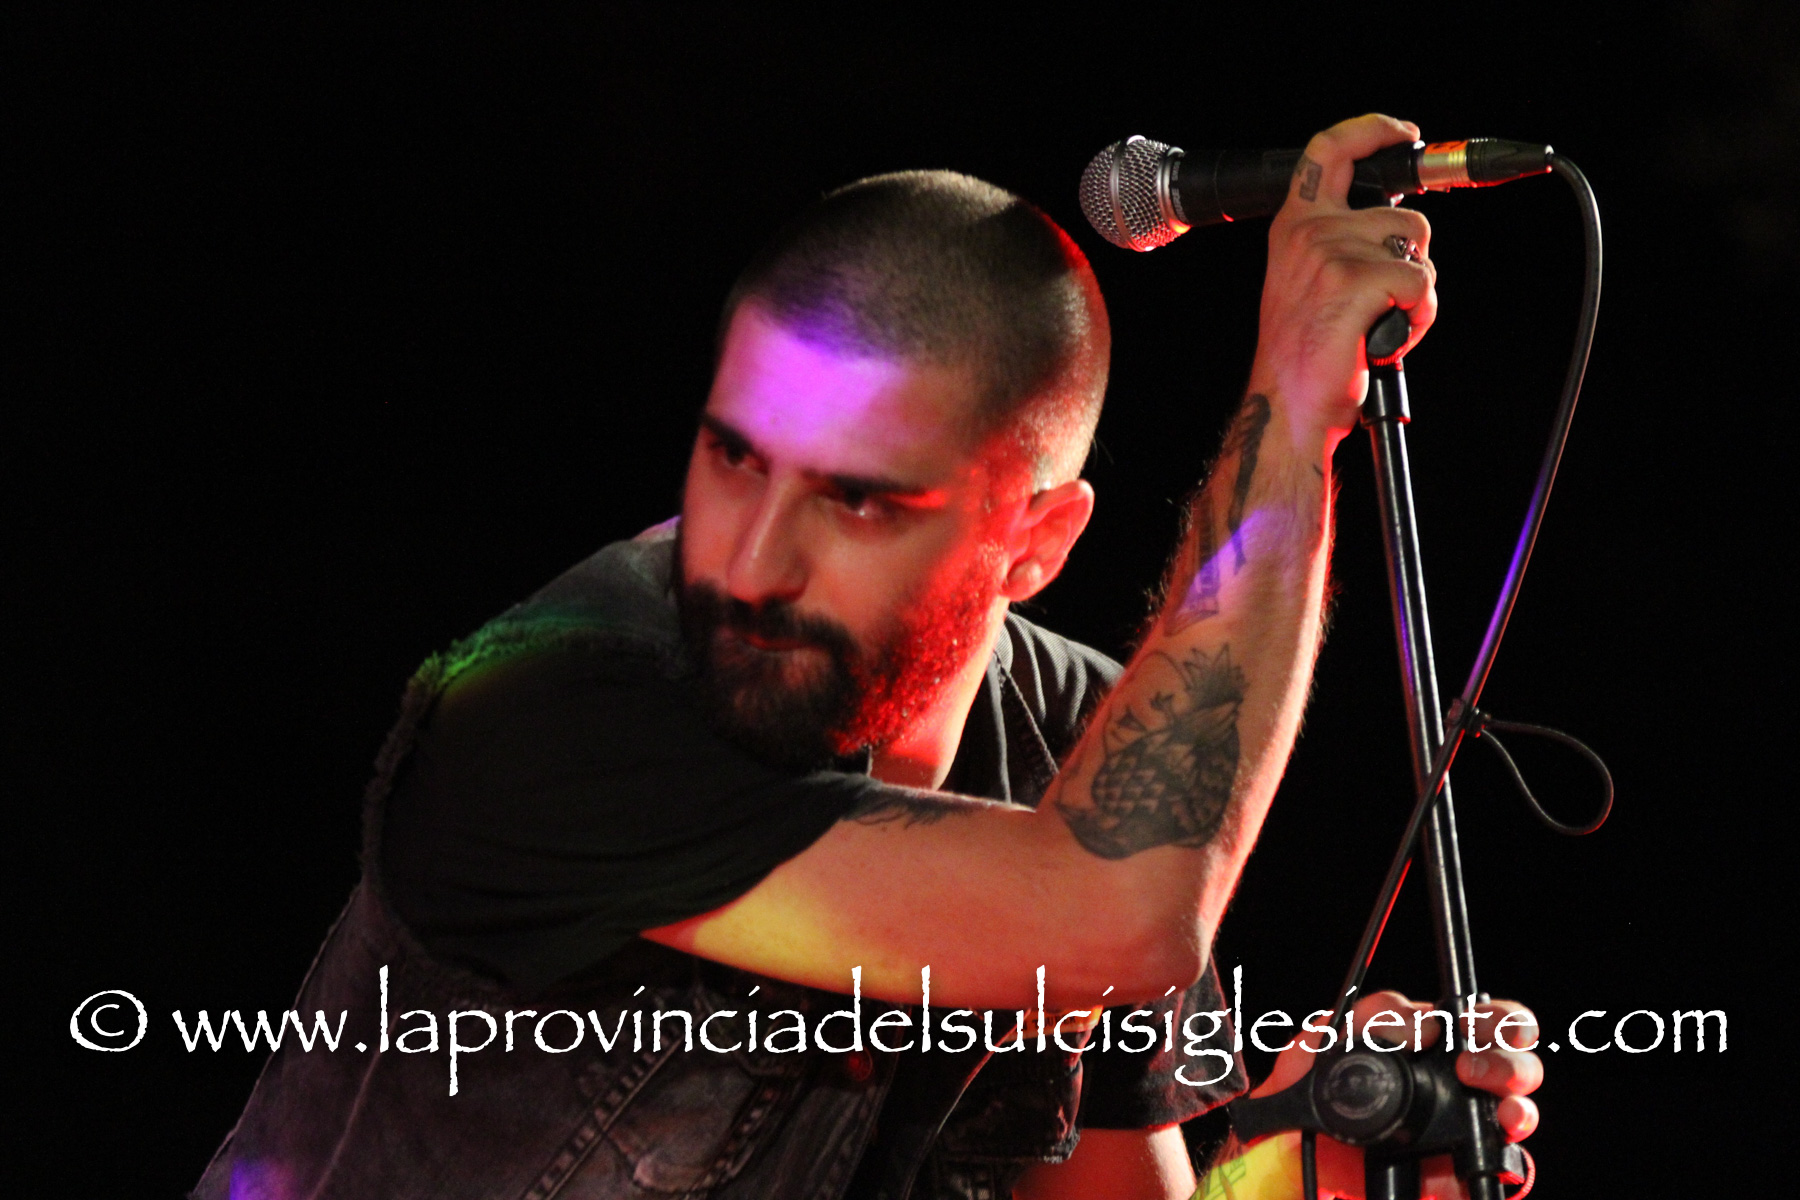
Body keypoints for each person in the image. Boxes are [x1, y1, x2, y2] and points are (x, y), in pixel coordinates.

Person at [195, 114, 1541, 1200]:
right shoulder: (556, 708)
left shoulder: (1078, 754)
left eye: (856, 501)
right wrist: (1293, 414)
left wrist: (1305, 1163)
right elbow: (1120, 915)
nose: (751, 561)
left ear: (1034, 544)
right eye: (734, 456)